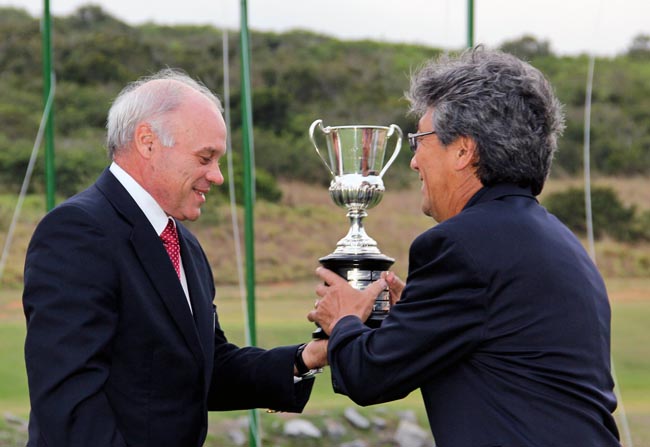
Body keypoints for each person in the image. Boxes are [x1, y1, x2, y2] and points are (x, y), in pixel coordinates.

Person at [308, 47, 621, 447]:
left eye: (418, 140)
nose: (414, 162)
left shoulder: (461, 246)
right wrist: (411, 324)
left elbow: (368, 377)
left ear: (463, 151)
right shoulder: (558, 241)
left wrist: (344, 320)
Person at [22, 68, 327, 447]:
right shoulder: (77, 232)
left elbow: (206, 368)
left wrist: (307, 357)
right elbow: (70, 406)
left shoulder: (183, 243)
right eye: (205, 157)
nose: (216, 176)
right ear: (148, 142)